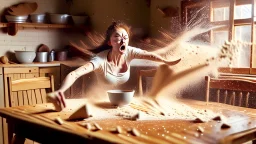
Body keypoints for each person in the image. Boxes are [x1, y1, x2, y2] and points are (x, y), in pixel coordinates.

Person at [48, 21, 181, 110]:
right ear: (110, 42)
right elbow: (74, 74)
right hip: (95, 103)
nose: (123, 40)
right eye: (117, 37)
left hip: (120, 106)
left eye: (125, 37)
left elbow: (149, 55)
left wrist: (166, 61)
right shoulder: (99, 60)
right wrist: (60, 91)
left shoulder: (130, 52)